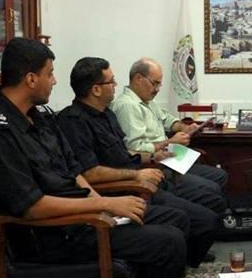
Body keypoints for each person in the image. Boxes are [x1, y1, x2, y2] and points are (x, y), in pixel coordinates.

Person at [0, 38, 188, 278]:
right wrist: (105, 204)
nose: (54, 81)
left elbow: (74, 172)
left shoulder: (40, 119)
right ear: (31, 79)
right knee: (168, 242)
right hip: (54, 234)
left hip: (83, 217)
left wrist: (102, 203)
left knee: (172, 220)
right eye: (50, 73)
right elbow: (32, 207)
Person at [58, 57, 219, 266]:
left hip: (144, 177)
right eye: (111, 82)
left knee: (207, 212)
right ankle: (176, 264)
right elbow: (89, 173)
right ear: (96, 89)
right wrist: (137, 174)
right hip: (123, 190)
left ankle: (178, 263)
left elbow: (125, 154)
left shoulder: (106, 114)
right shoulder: (74, 122)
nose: (116, 85)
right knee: (194, 220)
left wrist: (152, 157)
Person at [111, 57, 227, 215]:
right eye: (155, 83)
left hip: (170, 157)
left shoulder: (146, 100)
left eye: (159, 84)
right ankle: (208, 219)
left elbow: (167, 119)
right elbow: (135, 148)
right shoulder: (127, 106)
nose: (157, 89)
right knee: (213, 187)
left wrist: (183, 127)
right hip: (154, 165)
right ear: (138, 79)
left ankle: (213, 218)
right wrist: (170, 142)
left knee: (220, 175)